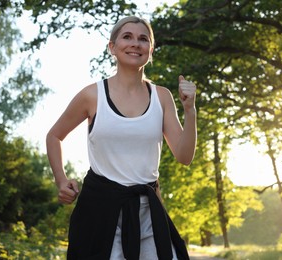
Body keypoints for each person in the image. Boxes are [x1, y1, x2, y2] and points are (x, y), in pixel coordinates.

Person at [46, 15, 197, 260]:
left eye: (143, 39)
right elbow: (54, 136)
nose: (135, 43)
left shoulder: (162, 97)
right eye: (127, 37)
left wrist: (190, 111)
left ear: (151, 49)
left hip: (148, 212)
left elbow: (184, 155)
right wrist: (61, 180)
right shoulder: (92, 95)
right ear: (112, 47)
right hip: (99, 212)